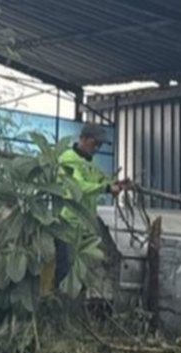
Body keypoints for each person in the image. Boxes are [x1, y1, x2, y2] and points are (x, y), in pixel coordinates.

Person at [48, 122, 128, 295]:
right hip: (67, 224)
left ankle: (75, 310)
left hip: (84, 227)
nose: (97, 148)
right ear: (83, 139)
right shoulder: (68, 159)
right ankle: (59, 309)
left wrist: (113, 184)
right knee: (65, 269)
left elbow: (97, 182)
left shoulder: (90, 162)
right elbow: (77, 186)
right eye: (95, 143)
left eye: (100, 144)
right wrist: (106, 189)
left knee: (81, 272)